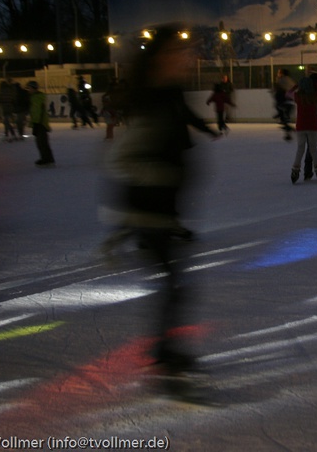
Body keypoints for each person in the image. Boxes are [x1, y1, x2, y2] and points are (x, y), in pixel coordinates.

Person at [102, 26, 218, 393]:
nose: (183, 59)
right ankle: (166, 359)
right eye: (174, 53)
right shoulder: (150, 101)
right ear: (156, 61)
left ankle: (165, 350)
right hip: (146, 210)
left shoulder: (169, 95)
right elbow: (119, 159)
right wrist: (163, 174)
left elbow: (180, 126)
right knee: (175, 285)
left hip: (164, 210)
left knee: (175, 285)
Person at [290, 76, 317, 184]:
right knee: (313, 149)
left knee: (300, 148)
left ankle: (295, 169)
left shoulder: (297, 96)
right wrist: (316, 87)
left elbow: (288, 93)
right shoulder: (314, 96)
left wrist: (295, 86)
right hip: (312, 126)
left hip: (301, 126)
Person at [25, 81, 55, 167]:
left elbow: (39, 112)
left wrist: (38, 123)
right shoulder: (33, 98)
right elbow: (34, 112)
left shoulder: (37, 98)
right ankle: (46, 158)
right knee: (40, 142)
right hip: (37, 123)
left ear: (34, 88)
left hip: (40, 123)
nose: (28, 90)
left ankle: (47, 159)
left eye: (29, 88)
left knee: (42, 142)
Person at [274, 69, 296, 140]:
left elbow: (278, 88)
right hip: (291, 101)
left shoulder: (281, 80)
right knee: (285, 118)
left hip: (284, 101)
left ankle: (289, 131)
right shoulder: (291, 80)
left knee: (283, 118)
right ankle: (288, 132)